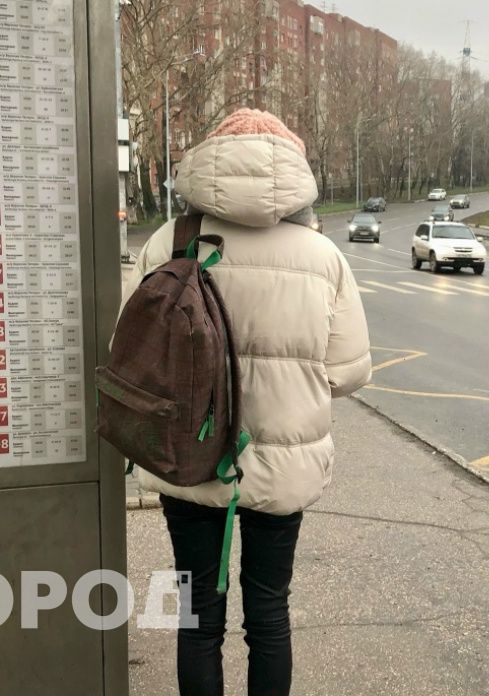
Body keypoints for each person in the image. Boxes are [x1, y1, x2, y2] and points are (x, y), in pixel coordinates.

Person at [122, 108, 371, 695]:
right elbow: (349, 372)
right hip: (284, 466)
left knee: (198, 620)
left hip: (187, 458)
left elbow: (130, 349)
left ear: (209, 164)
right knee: (268, 614)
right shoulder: (321, 256)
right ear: (293, 170)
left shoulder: (170, 241)